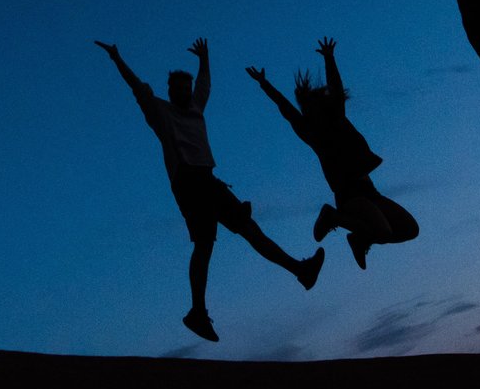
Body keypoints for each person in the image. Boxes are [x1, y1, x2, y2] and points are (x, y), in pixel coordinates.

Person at [96, 36, 323, 341]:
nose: (184, 92)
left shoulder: (196, 108)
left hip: (210, 182)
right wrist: (116, 58)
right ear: (169, 91)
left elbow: (205, 85)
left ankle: (300, 270)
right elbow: (137, 87)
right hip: (188, 184)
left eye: (186, 88)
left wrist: (204, 59)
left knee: (250, 230)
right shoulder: (159, 112)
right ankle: (198, 313)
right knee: (205, 245)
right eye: (178, 88)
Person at [245, 37, 419, 270]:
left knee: (410, 229)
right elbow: (286, 110)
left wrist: (329, 58)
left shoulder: (338, 119)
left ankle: (358, 238)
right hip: (349, 196)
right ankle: (333, 217)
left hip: (370, 191)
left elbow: (336, 89)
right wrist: (264, 85)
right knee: (383, 231)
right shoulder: (312, 133)